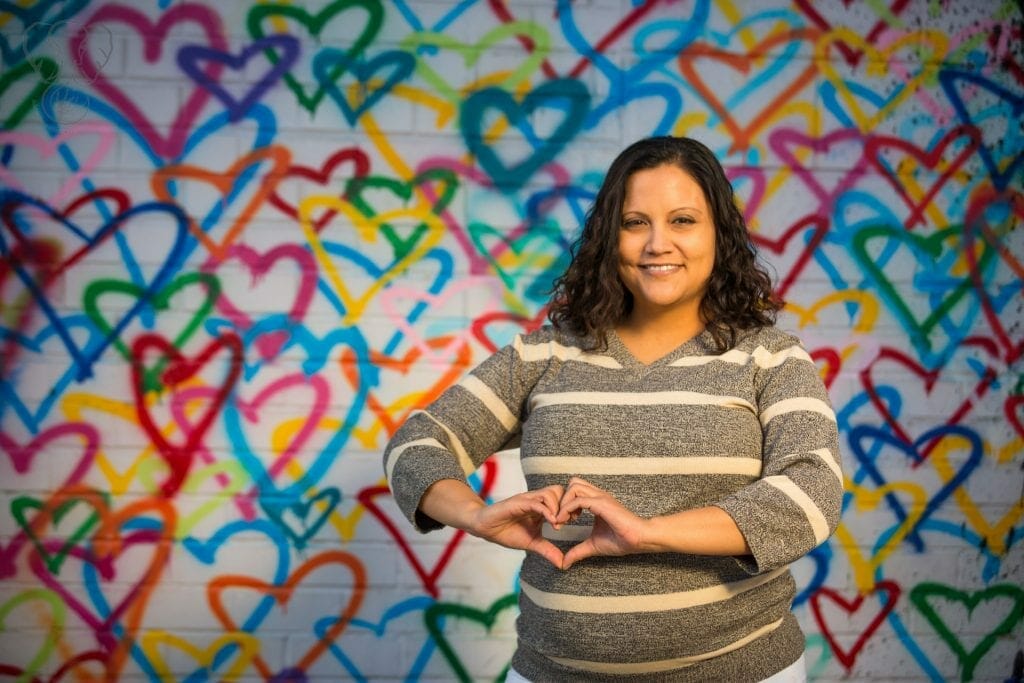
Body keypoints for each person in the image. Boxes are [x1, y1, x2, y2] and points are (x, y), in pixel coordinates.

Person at [383, 136, 843, 682]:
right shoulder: (544, 354)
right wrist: (476, 516)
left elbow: (812, 493)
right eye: (634, 223)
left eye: (682, 221)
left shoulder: (769, 357)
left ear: (718, 234)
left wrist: (647, 531)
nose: (656, 244)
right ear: (609, 237)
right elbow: (416, 445)